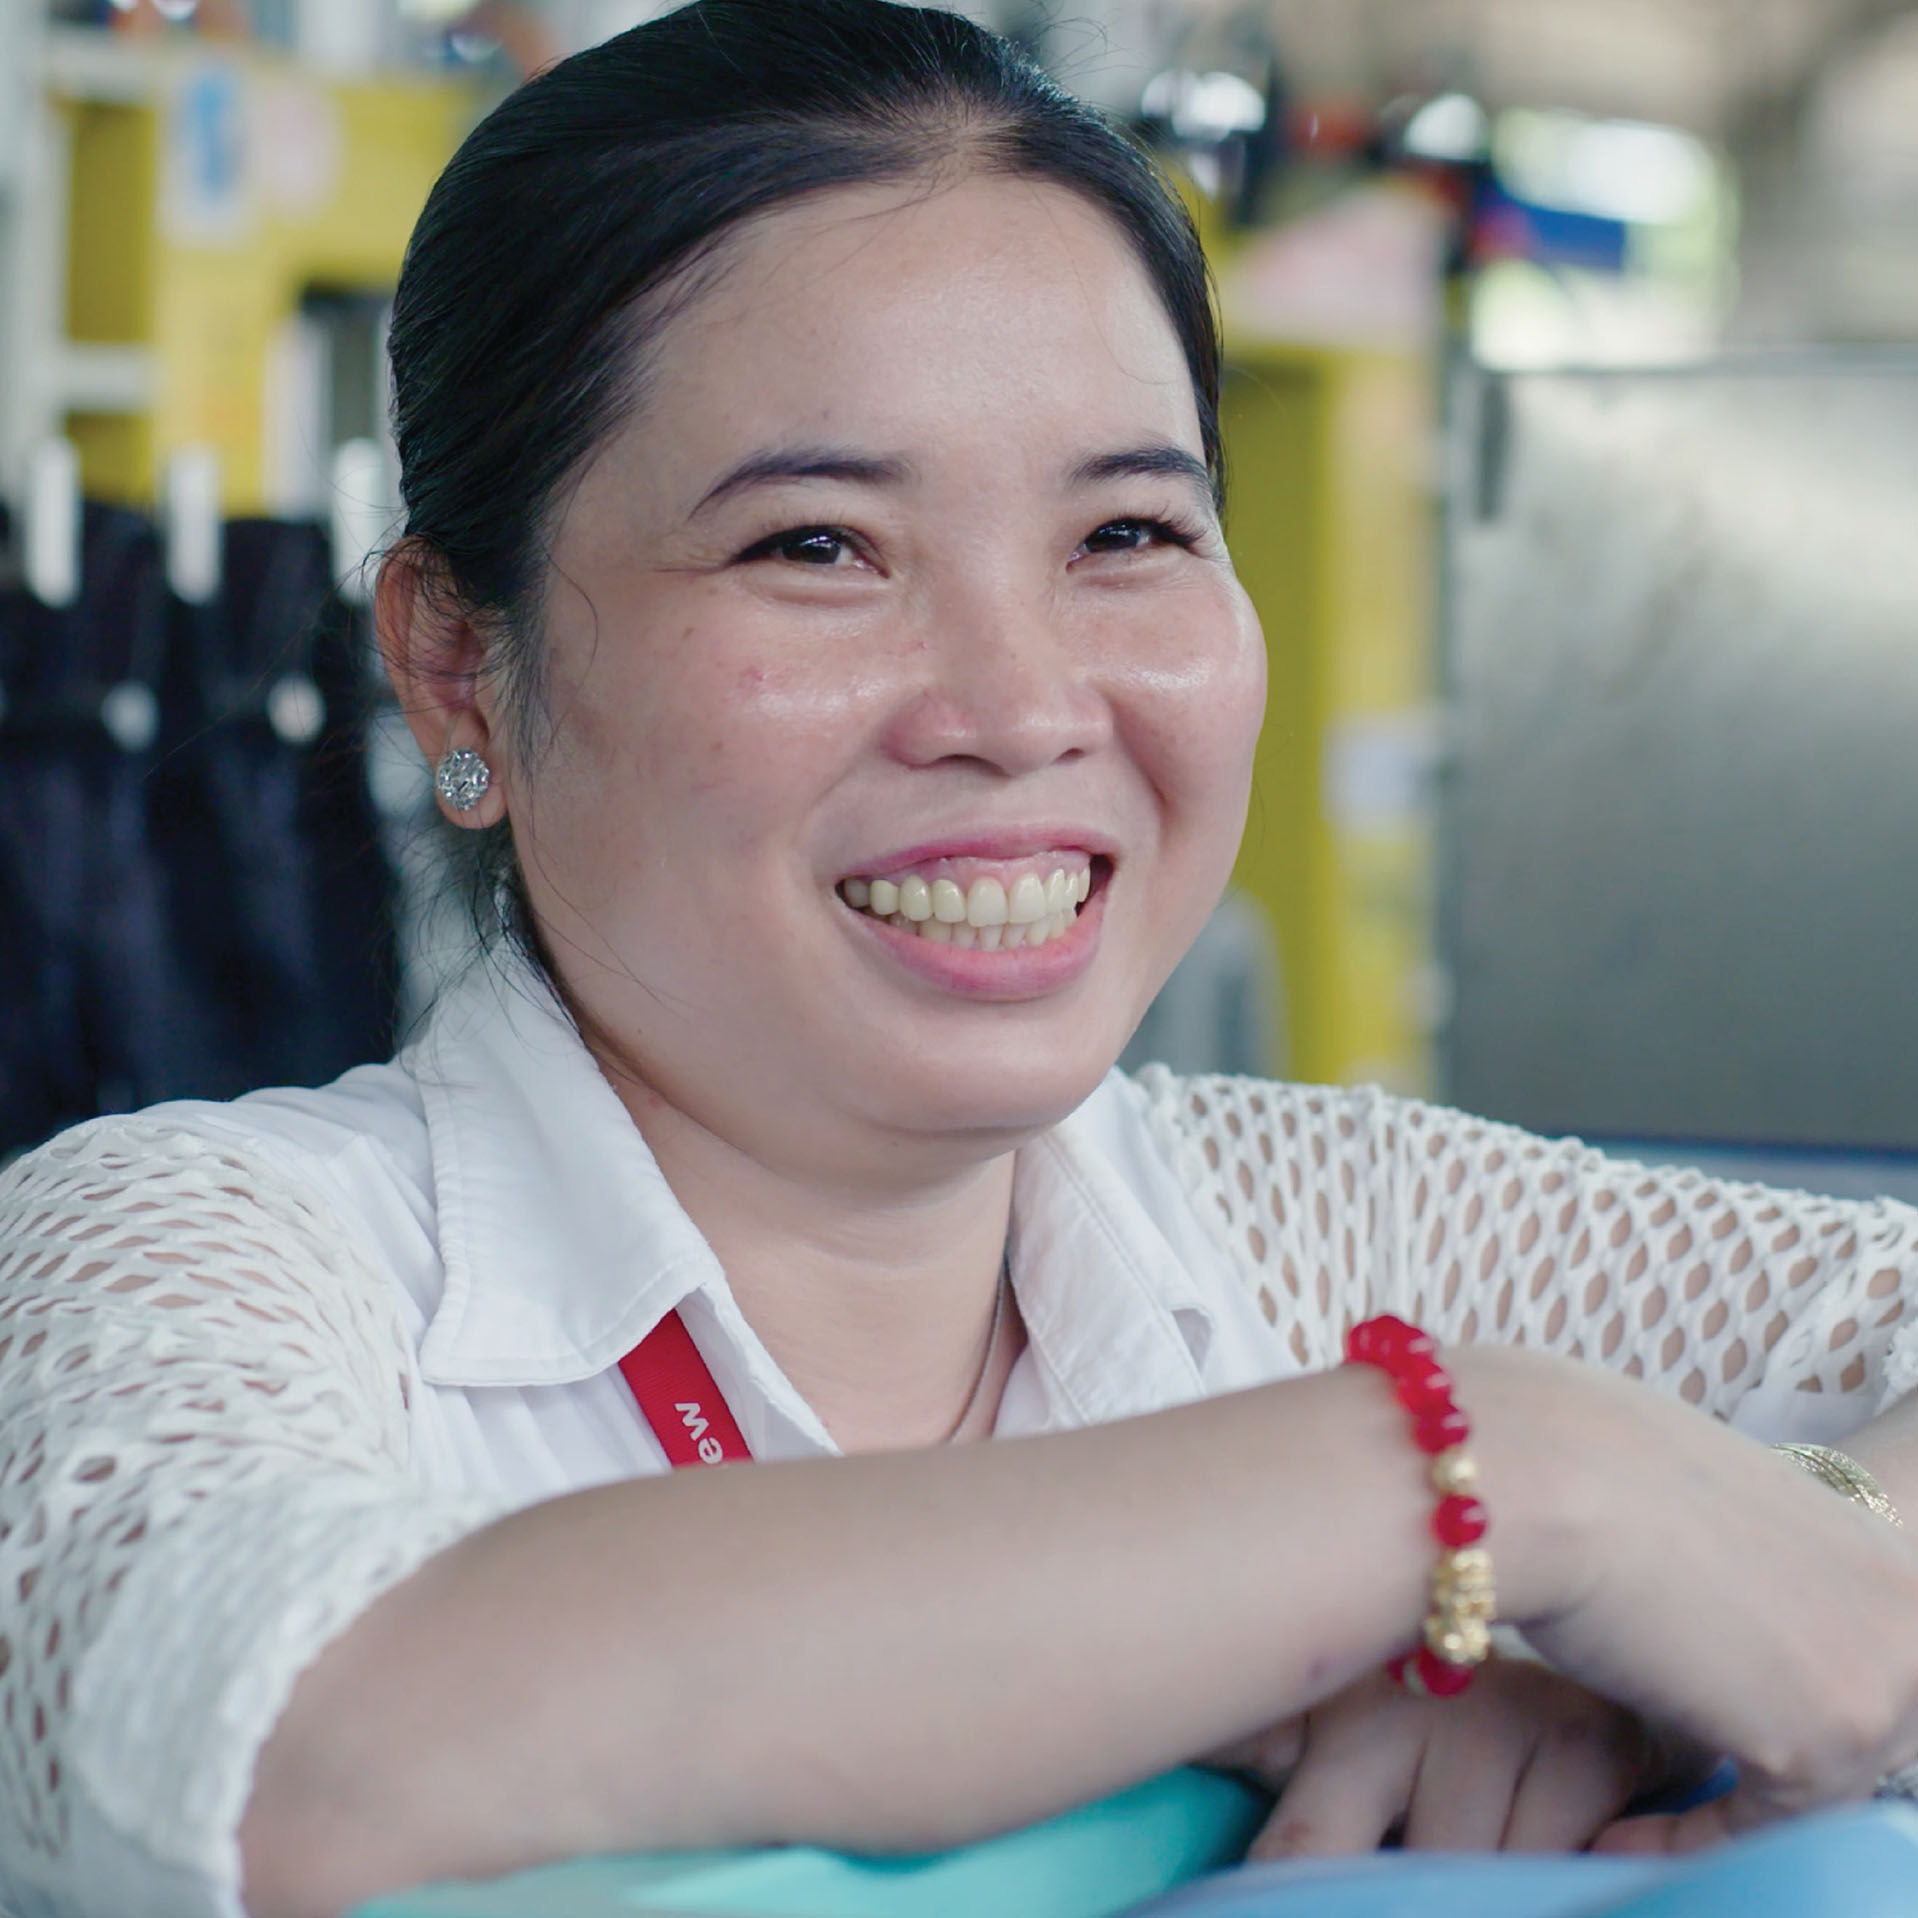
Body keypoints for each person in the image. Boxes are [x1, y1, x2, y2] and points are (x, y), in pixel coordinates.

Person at [3, 5, 1918, 1915]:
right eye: (819, 545)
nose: (1016, 706)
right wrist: (1487, 1480)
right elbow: (294, 1756)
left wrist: (1790, 1566)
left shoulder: (1319, 1225)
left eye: (1130, 528)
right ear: (455, 662)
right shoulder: (194, 1248)